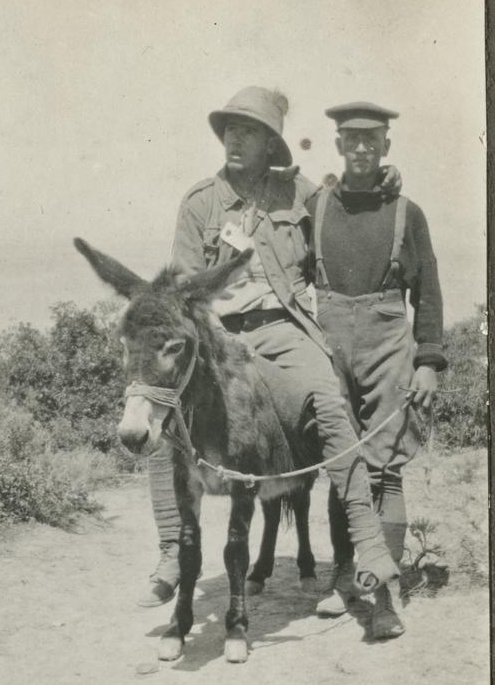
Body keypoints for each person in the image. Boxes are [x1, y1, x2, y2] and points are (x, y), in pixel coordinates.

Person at [140, 86, 401, 633]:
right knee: (161, 408)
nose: (235, 140)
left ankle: (370, 547)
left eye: (249, 131)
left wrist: (383, 182)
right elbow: (184, 287)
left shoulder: (298, 193)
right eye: (230, 130)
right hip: (218, 336)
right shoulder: (200, 202)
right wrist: (209, 338)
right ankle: (171, 550)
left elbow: (348, 208)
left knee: (330, 405)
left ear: (270, 144)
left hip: (283, 329)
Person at [307, 102, 446, 637]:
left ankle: (384, 595)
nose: (361, 148)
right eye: (351, 139)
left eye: (372, 139)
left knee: (384, 467)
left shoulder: (408, 213)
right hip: (330, 347)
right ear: (338, 146)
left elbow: (428, 291)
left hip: (389, 345)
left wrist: (428, 361)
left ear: (386, 146)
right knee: (342, 463)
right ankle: (344, 577)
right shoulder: (318, 206)